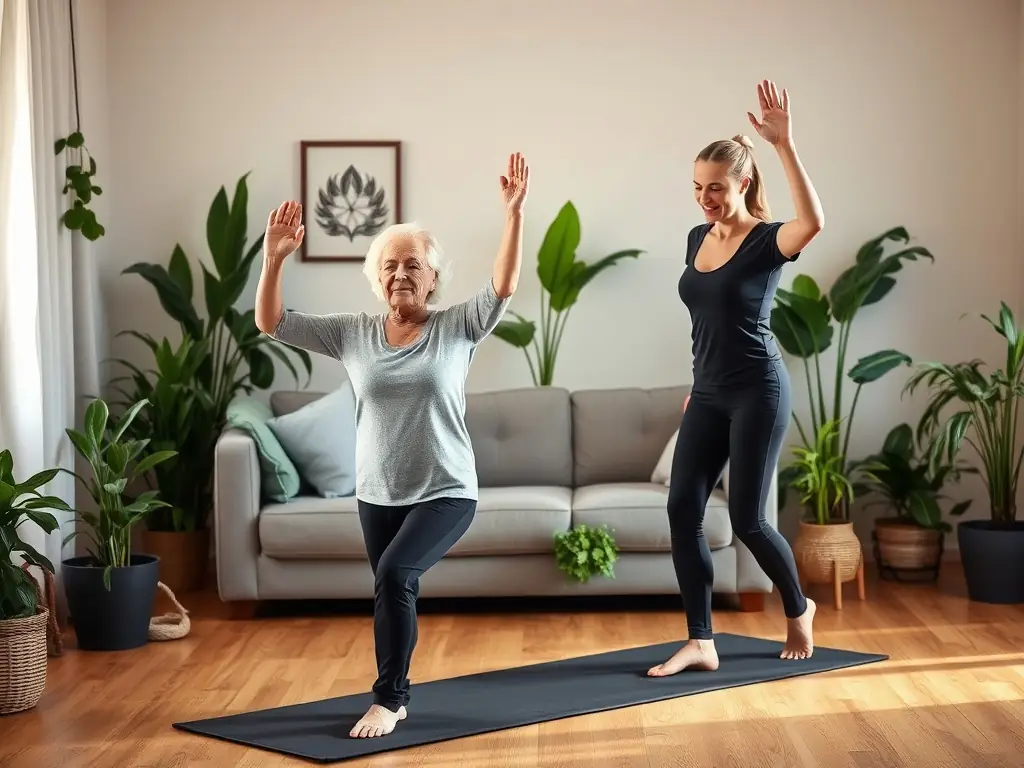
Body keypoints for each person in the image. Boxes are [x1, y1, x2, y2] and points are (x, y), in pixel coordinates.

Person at [254, 153, 530, 737]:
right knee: (390, 588)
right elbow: (272, 321)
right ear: (376, 277)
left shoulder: (458, 326)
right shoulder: (351, 333)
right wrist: (274, 259)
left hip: (447, 488)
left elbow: (503, 284)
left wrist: (513, 215)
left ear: (433, 277)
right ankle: (395, 690)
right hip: (377, 492)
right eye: (389, 265)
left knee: (398, 575)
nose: (400, 273)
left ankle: (390, 698)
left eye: (413, 264)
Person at [647, 80, 825, 678]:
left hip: (759, 391)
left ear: (742, 184)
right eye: (698, 188)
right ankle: (701, 639)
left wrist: (786, 145)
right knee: (681, 509)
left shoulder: (767, 241)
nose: (705, 199)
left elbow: (814, 221)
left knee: (748, 519)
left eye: (716, 188)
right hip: (709, 391)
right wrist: (698, 386)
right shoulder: (698, 237)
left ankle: (799, 608)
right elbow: (708, 322)